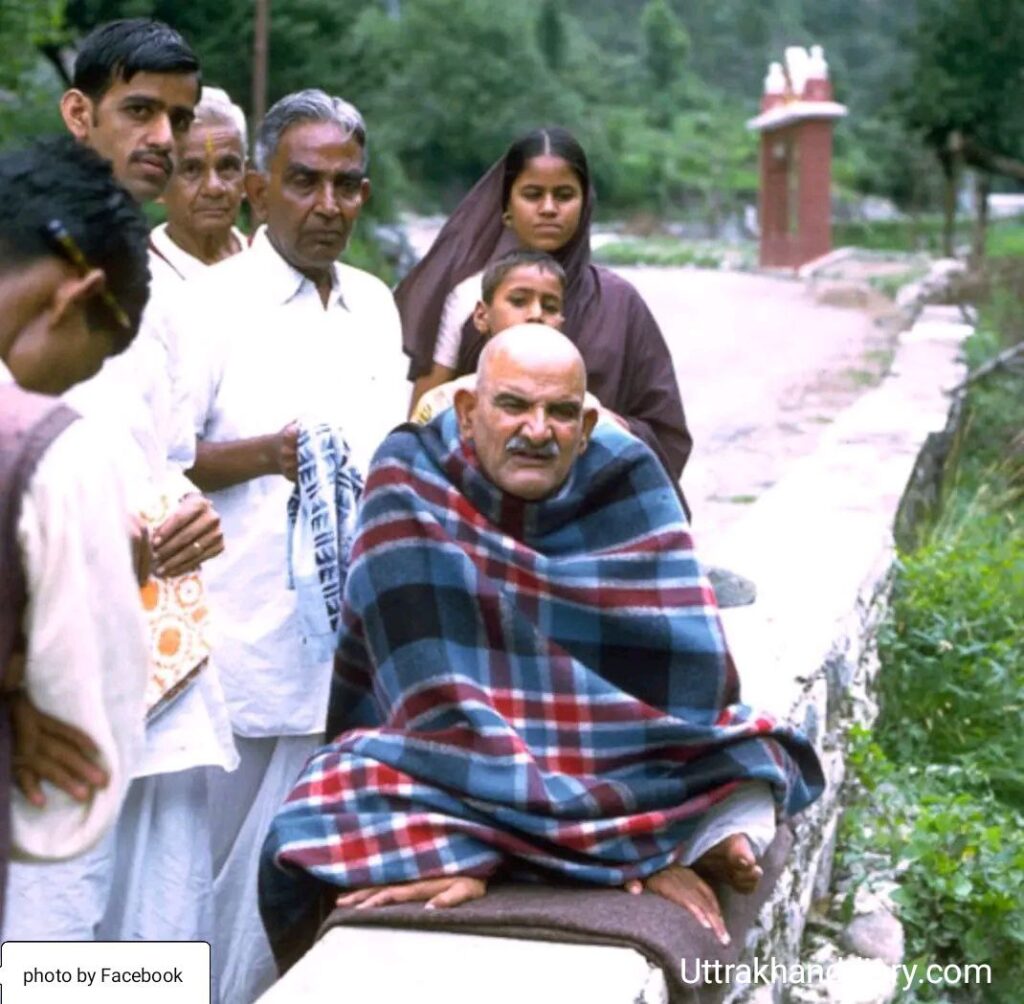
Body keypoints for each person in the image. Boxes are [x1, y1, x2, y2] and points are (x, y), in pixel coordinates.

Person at [259, 325, 824, 969]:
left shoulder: (626, 474)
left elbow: (697, 681)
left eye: (560, 413)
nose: (537, 430)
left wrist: (490, 844)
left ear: (585, 426)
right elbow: (426, 699)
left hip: (613, 766)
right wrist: (620, 846)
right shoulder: (409, 477)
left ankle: (505, 853)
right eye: (514, 406)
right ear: (469, 414)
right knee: (313, 814)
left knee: (754, 760)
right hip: (451, 770)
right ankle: (639, 847)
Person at [4, 19, 236, 951]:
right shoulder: (24, 262)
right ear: (78, 113)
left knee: (163, 944)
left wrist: (190, 520)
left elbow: (165, 461)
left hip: (163, 666)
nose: (163, 139)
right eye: (139, 110)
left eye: (177, 118)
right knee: (46, 951)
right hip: (42, 682)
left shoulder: (174, 293)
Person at [176, 88, 408, 1003]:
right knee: (200, 881)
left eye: (347, 185)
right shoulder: (206, 307)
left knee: (309, 882)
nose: (328, 205)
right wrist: (270, 456)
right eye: (305, 182)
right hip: (236, 650)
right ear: (260, 190)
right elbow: (157, 456)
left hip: (349, 654)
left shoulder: (376, 307)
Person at [0, 138, 151, 928]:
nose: (55, 391)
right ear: (75, 296)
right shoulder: (47, 446)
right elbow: (88, 721)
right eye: (79, 366)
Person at [396, 126, 693, 506]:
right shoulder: (468, 298)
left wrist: (607, 427)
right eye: (533, 194)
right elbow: (424, 428)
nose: (549, 208)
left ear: (585, 203)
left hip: (592, 515)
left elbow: (666, 433)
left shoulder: (621, 303)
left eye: (565, 195)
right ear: (506, 207)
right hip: (477, 516)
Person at [149, 86, 248, 282]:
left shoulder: (276, 267)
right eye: (191, 170)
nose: (214, 188)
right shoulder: (131, 281)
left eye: (227, 167)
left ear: (246, 180)